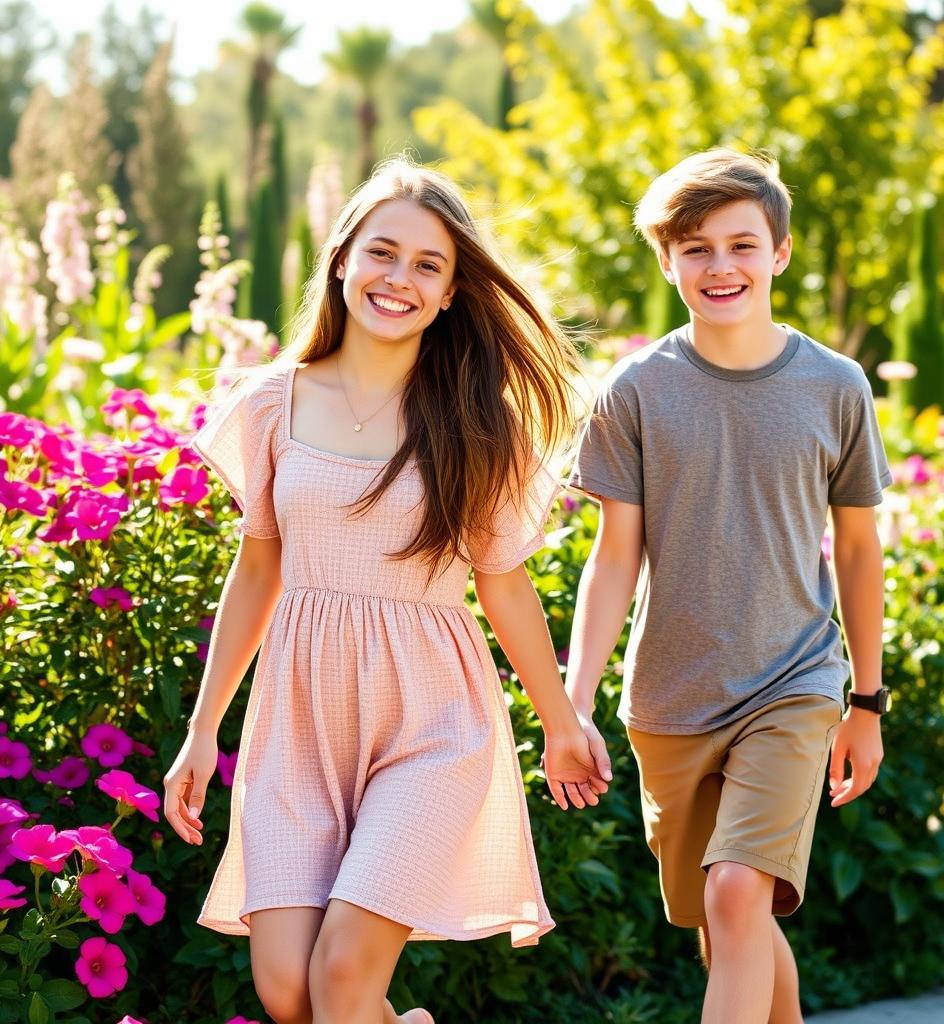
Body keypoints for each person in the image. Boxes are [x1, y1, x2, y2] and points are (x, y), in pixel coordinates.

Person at [162, 159, 607, 1024]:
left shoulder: (478, 425)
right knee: (289, 992)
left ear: (449, 294)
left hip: (433, 725)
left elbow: (504, 586)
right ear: (341, 260)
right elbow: (258, 569)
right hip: (296, 725)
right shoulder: (268, 405)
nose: (399, 279)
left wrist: (560, 721)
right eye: (383, 252)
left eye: (428, 265)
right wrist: (200, 730)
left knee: (341, 984)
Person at [565, 148, 892, 1024]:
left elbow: (859, 553)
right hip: (670, 700)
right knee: (725, 924)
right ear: (667, 260)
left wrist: (867, 701)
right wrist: (574, 702)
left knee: (739, 895)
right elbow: (614, 556)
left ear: (779, 254)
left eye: (742, 245)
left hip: (794, 681)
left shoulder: (836, 387)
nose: (721, 267)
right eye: (696, 247)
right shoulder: (633, 391)